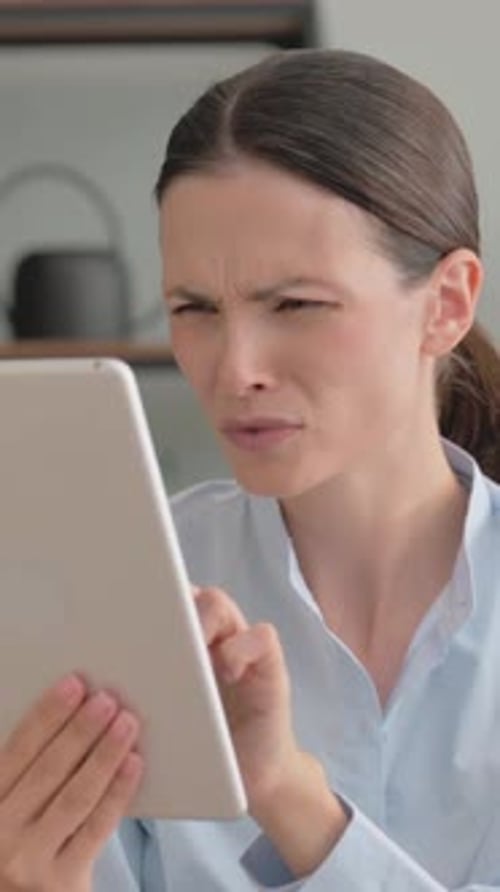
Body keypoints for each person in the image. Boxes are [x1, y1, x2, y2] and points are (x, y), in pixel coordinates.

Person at [1, 47, 500, 892]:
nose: (235, 371)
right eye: (194, 308)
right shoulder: (124, 587)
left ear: (447, 304)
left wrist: (287, 794)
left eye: (296, 304)